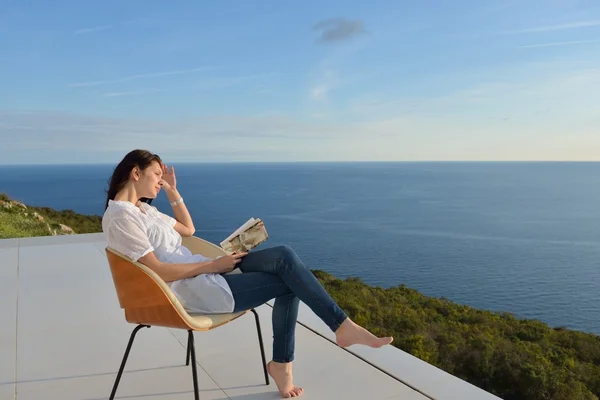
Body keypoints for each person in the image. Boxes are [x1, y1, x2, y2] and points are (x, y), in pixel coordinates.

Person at [102, 149, 393, 398]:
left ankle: (336, 331)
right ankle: (296, 356)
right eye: (156, 175)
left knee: (285, 256)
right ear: (136, 173)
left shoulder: (144, 210)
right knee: (288, 282)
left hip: (205, 272)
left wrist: (173, 192)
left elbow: (188, 230)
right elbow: (157, 271)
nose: (160, 181)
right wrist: (212, 266)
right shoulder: (120, 217)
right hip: (188, 291)